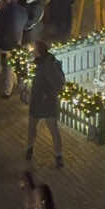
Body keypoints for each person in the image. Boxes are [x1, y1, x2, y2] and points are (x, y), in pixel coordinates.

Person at [26, 39, 65, 168]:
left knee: (42, 128)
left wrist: (47, 94)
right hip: (43, 101)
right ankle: (57, 155)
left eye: (34, 48)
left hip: (43, 101)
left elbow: (56, 83)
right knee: (39, 127)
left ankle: (57, 155)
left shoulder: (46, 65)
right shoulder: (47, 61)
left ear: (39, 52)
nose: (32, 50)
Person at [0, 0, 29, 95]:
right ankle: (9, 88)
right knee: (10, 64)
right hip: (16, 42)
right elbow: (25, 24)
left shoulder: (4, 11)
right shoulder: (23, 10)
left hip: (3, 44)